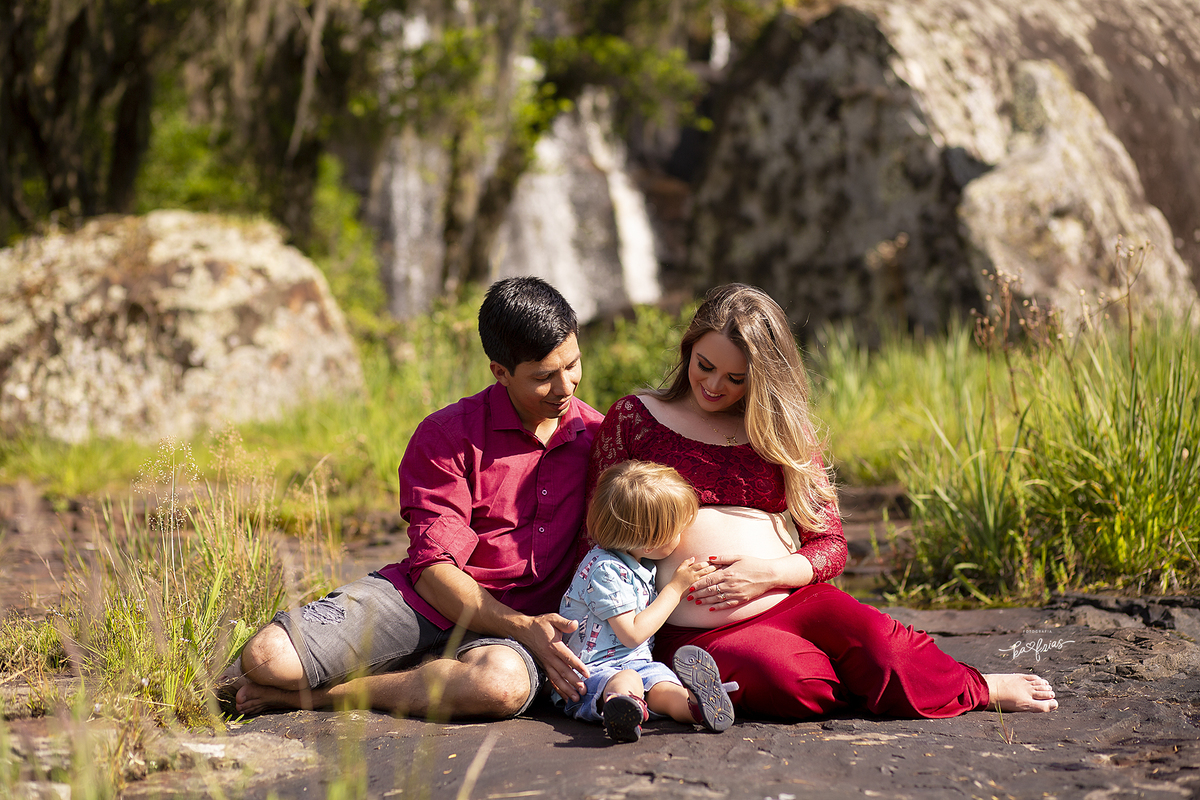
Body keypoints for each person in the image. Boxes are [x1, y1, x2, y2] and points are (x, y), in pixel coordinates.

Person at [588, 283, 1059, 721]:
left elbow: (830, 544)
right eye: (703, 365)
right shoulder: (637, 417)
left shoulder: (781, 433)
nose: (713, 385)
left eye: (735, 377)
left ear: (765, 377)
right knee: (790, 682)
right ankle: (882, 685)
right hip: (691, 628)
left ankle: (977, 687)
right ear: (688, 348)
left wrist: (766, 574)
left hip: (796, 598)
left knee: (886, 650)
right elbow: (595, 529)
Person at [225, 276, 604, 719]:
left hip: (516, 637)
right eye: (543, 377)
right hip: (428, 602)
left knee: (500, 686)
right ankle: (420, 671)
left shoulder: (599, 439)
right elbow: (432, 571)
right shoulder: (448, 434)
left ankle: (324, 698)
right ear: (499, 372)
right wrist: (520, 624)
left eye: (573, 365)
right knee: (268, 659)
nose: (566, 387)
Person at [558, 460, 736, 742]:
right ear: (651, 543)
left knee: (665, 687)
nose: (681, 536)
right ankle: (623, 709)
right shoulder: (605, 570)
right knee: (627, 680)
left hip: (639, 663)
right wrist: (676, 588)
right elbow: (632, 634)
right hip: (592, 673)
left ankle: (696, 707)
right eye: (677, 531)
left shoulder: (636, 562)